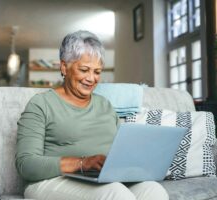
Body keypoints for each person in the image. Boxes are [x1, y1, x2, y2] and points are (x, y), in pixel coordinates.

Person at [15, 30, 169, 200]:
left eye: (97, 72)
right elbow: (26, 164)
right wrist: (83, 163)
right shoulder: (41, 104)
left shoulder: (105, 105)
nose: (91, 78)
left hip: (101, 180)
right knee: (116, 194)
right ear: (64, 67)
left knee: (154, 190)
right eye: (84, 70)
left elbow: (121, 151)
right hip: (51, 181)